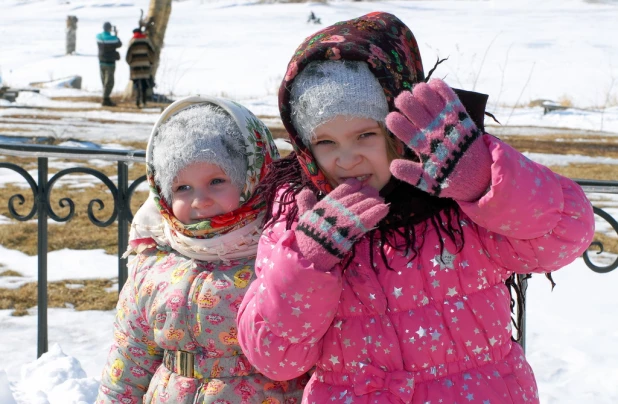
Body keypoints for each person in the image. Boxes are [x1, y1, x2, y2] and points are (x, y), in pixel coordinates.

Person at [237, 12, 595, 404]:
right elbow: (275, 358)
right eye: (325, 143)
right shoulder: (298, 217)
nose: (346, 159)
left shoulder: (456, 203)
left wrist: (485, 183)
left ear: (399, 129)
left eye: (365, 135)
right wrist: (306, 263)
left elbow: (565, 235)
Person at [97, 96, 308, 403]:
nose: (200, 200)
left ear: (253, 176)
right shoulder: (154, 262)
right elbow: (131, 354)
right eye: (183, 188)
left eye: (217, 181)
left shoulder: (281, 255)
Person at [126, 27, 155, 108]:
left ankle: (137, 101)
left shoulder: (132, 41)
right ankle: (144, 102)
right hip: (145, 66)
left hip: (135, 67)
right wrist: (151, 62)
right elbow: (152, 52)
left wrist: (130, 63)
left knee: (137, 85)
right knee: (144, 85)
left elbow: (128, 55)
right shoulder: (146, 41)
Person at [96, 22, 122, 107]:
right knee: (110, 81)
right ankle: (105, 99)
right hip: (110, 63)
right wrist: (116, 34)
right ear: (109, 29)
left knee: (104, 80)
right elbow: (119, 43)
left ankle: (105, 97)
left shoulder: (99, 37)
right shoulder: (113, 38)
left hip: (101, 62)